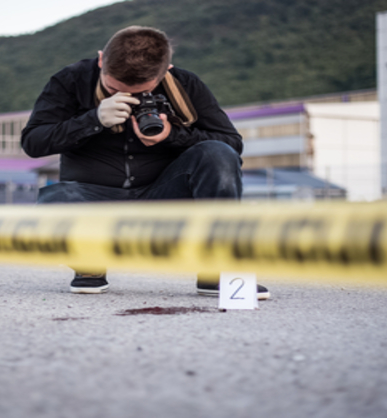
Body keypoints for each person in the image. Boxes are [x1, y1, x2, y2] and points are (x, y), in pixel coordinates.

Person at [21, 26, 269, 300]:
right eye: (113, 89)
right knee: (54, 201)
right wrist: (93, 120)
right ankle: (89, 265)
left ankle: (217, 270)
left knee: (217, 154)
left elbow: (231, 144)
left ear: (166, 71)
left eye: (141, 93)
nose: (127, 97)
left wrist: (172, 136)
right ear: (101, 60)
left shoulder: (186, 84)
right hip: (95, 198)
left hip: (164, 197)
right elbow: (33, 142)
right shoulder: (70, 81)